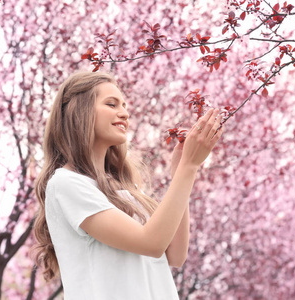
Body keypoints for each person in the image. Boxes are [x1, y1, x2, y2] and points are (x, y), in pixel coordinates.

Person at [33, 70, 224, 299]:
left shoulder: (122, 191)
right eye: (111, 104)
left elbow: (175, 254)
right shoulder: (66, 184)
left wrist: (181, 173)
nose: (124, 113)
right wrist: (189, 167)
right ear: (79, 112)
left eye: (124, 106)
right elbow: (151, 243)